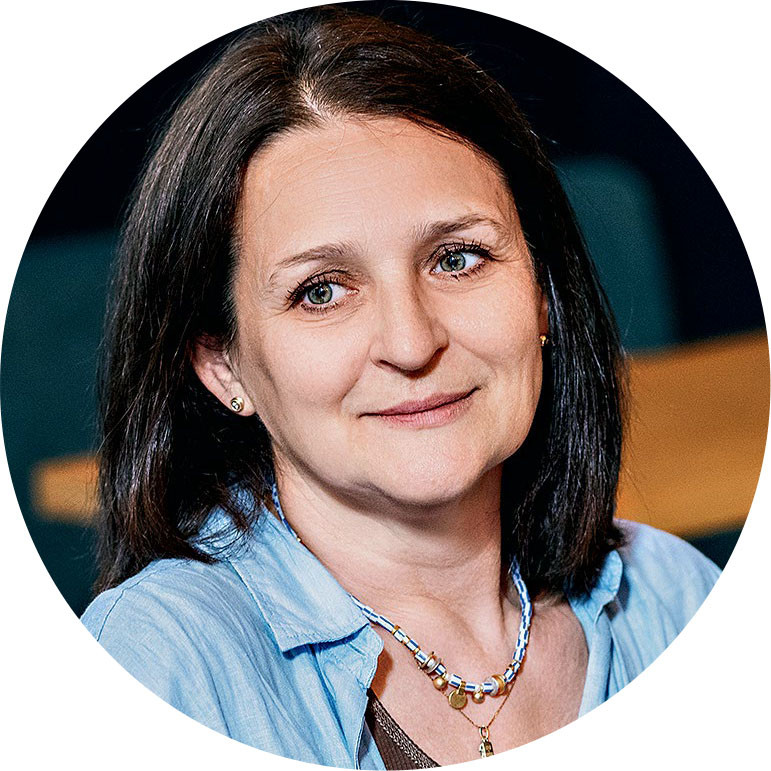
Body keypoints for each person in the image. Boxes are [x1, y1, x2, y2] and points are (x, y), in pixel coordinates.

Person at [81, 6, 720, 768]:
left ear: (543, 293)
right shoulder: (158, 665)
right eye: (321, 290)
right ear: (224, 365)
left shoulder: (674, 596)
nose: (412, 343)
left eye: (457, 258)